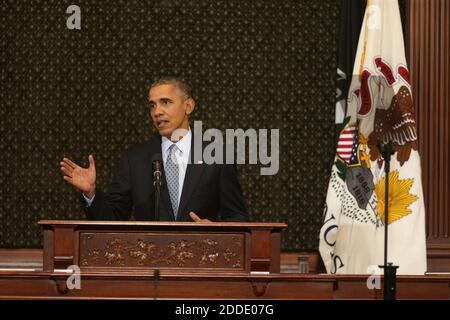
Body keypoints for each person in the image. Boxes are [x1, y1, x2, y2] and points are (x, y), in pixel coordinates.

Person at [60, 77, 248, 222]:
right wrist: (91, 193)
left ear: (188, 106)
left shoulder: (217, 156)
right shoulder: (134, 159)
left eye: (165, 102)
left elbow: (238, 218)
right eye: (152, 105)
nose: (157, 112)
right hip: (149, 267)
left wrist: (215, 231)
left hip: (199, 265)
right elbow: (113, 220)